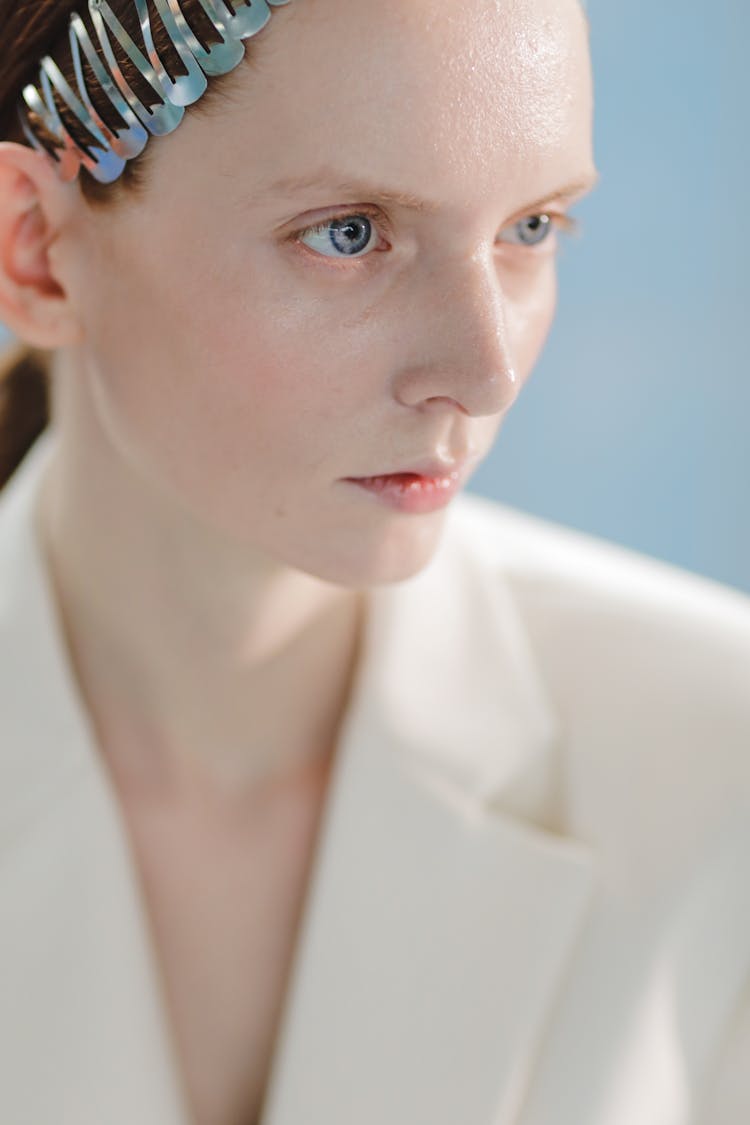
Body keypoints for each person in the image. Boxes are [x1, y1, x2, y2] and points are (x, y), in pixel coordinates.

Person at [0, 1, 748, 1123]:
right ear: (39, 252)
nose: (486, 371)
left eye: (533, 228)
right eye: (349, 232)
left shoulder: (719, 779)